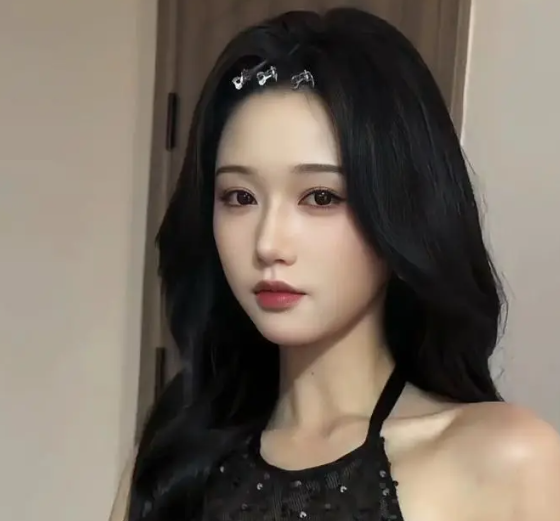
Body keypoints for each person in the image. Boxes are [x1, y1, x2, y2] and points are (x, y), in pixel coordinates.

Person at [111, 7, 560, 521]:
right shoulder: (171, 458)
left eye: (321, 197)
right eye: (239, 196)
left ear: (401, 210)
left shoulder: (504, 461)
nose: (268, 243)